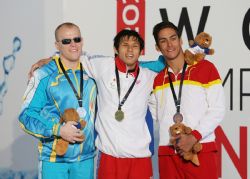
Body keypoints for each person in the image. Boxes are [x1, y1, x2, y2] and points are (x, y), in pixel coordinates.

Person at [28, 29, 162, 179]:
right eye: (125, 45)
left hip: (140, 158)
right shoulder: (102, 65)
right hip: (109, 157)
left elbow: (170, 61)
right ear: (116, 49)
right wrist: (53, 59)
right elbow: (74, 56)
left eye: (135, 46)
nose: (130, 49)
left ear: (141, 50)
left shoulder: (150, 75)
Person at [19, 22, 97, 179]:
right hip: (54, 160)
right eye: (66, 41)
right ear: (57, 45)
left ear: (82, 41)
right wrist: (58, 130)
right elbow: (26, 116)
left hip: (86, 159)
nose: (73, 44)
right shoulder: (43, 74)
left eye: (77, 39)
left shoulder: (93, 68)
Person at [149, 21, 225, 179]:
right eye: (163, 41)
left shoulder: (206, 68)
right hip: (167, 154)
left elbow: (218, 109)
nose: (170, 44)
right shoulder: (157, 80)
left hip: (200, 150)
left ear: (181, 40)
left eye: (173, 38)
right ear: (157, 47)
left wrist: (194, 136)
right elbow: (153, 116)